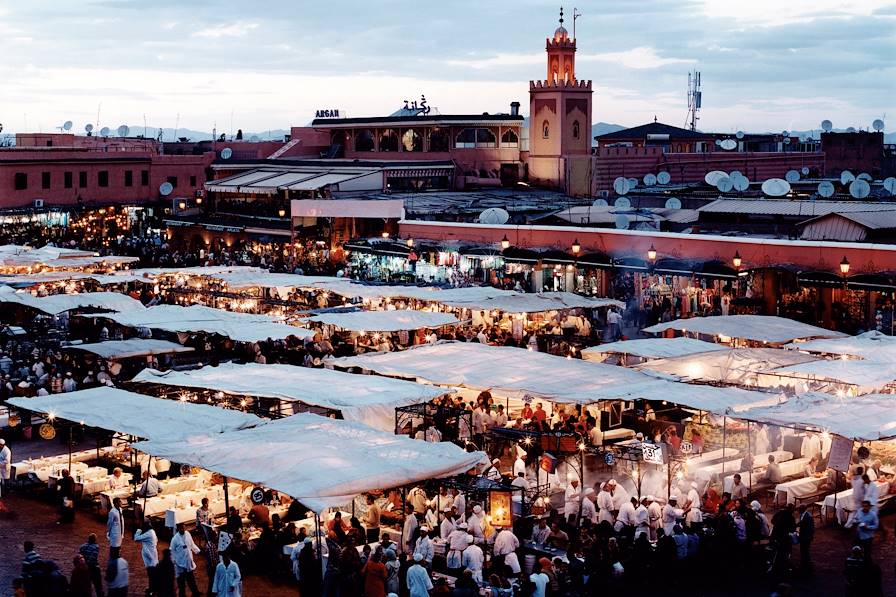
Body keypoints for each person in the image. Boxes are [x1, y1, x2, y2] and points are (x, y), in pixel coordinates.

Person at [170, 523, 201, 597]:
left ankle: (195, 592)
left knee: (191, 579)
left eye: (184, 528)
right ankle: (182, 595)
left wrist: (198, 551)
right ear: (178, 529)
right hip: (180, 564)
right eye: (181, 528)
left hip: (188, 561)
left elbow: (192, 544)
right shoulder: (174, 539)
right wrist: (174, 562)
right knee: (181, 583)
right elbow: (172, 552)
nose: (183, 530)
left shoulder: (187, 534)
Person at [134, 520, 159, 593]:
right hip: (151, 555)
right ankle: (152, 588)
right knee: (151, 574)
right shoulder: (152, 532)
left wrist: (139, 529)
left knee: (151, 574)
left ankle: (152, 590)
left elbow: (136, 538)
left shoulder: (149, 534)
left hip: (150, 557)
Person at [797, 504, 814, 573]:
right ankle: (805, 563)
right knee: (803, 550)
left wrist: (809, 536)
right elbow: (801, 523)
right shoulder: (803, 515)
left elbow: (811, 528)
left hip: (806, 536)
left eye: (799, 509)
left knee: (805, 550)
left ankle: (806, 565)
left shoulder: (808, 516)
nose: (798, 510)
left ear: (802, 509)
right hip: (803, 535)